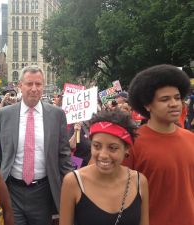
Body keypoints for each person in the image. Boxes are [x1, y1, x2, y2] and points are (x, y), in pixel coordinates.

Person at [0, 65, 73, 225]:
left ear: (43, 86)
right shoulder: (4, 114)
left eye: (38, 84)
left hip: (44, 192)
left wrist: (72, 185)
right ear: (20, 85)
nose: (34, 89)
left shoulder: (57, 115)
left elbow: (64, 156)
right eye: (29, 84)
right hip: (11, 191)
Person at [126, 64, 194, 225]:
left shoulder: (190, 138)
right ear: (147, 105)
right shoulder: (132, 144)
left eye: (177, 98)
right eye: (165, 99)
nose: (174, 103)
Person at [60, 110, 149, 225]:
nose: (103, 155)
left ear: (126, 148)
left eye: (112, 148)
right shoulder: (73, 182)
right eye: (97, 146)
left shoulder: (139, 182)